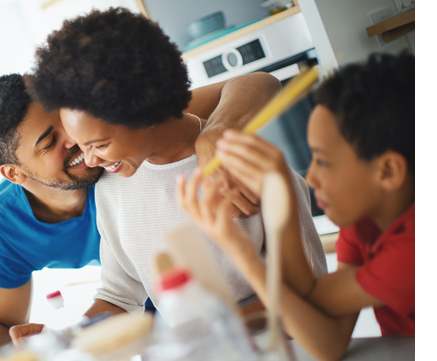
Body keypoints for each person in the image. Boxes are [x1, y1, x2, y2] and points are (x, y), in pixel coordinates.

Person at [0, 67, 283, 348]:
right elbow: (112, 297)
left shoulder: (114, 138)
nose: (80, 142)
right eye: (49, 142)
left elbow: (258, 82)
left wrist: (214, 133)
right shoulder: (3, 225)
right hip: (155, 307)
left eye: (66, 122)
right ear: (14, 173)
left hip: (215, 298)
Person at [27, 8, 327, 322]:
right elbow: (118, 297)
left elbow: (307, 287)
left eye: (99, 145)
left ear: (144, 111)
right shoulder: (111, 187)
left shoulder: (241, 164)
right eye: (82, 145)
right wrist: (68, 342)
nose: (89, 161)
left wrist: (205, 331)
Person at [178, 52, 414, 361]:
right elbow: (328, 343)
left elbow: (310, 296)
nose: (311, 176)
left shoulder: (412, 250)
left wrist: (244, 252)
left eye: (324, 161)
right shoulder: (363, 225)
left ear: (388, 171)